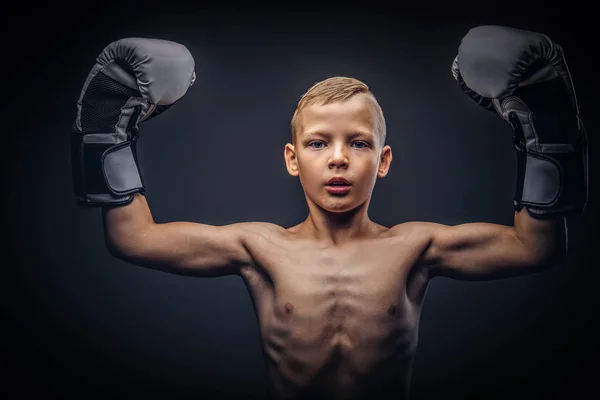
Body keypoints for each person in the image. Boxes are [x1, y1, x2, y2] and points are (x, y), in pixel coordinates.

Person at [70, 26, 588, 399]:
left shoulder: (415, 247)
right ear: (292, 160)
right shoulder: (260, 248)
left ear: (383, 161)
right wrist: (108, 120)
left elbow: (536, 245)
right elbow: (133, 237)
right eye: (318, 144)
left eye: (358, 144)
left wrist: (545, 122)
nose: (339, 157)